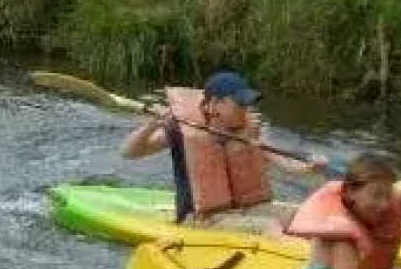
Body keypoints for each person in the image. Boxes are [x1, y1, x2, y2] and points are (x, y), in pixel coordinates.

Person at [120, 69, 329, 227]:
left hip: (249, 210)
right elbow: (128, 153)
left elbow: (286, 165)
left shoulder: (249, 130)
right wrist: (151, 125)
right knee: (269, 227)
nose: (245, 109)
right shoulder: (182, 130)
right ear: (216, 103)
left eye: (247, 103)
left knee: (305, 218)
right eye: (239, 103)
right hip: (203, 219)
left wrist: (311, 167)